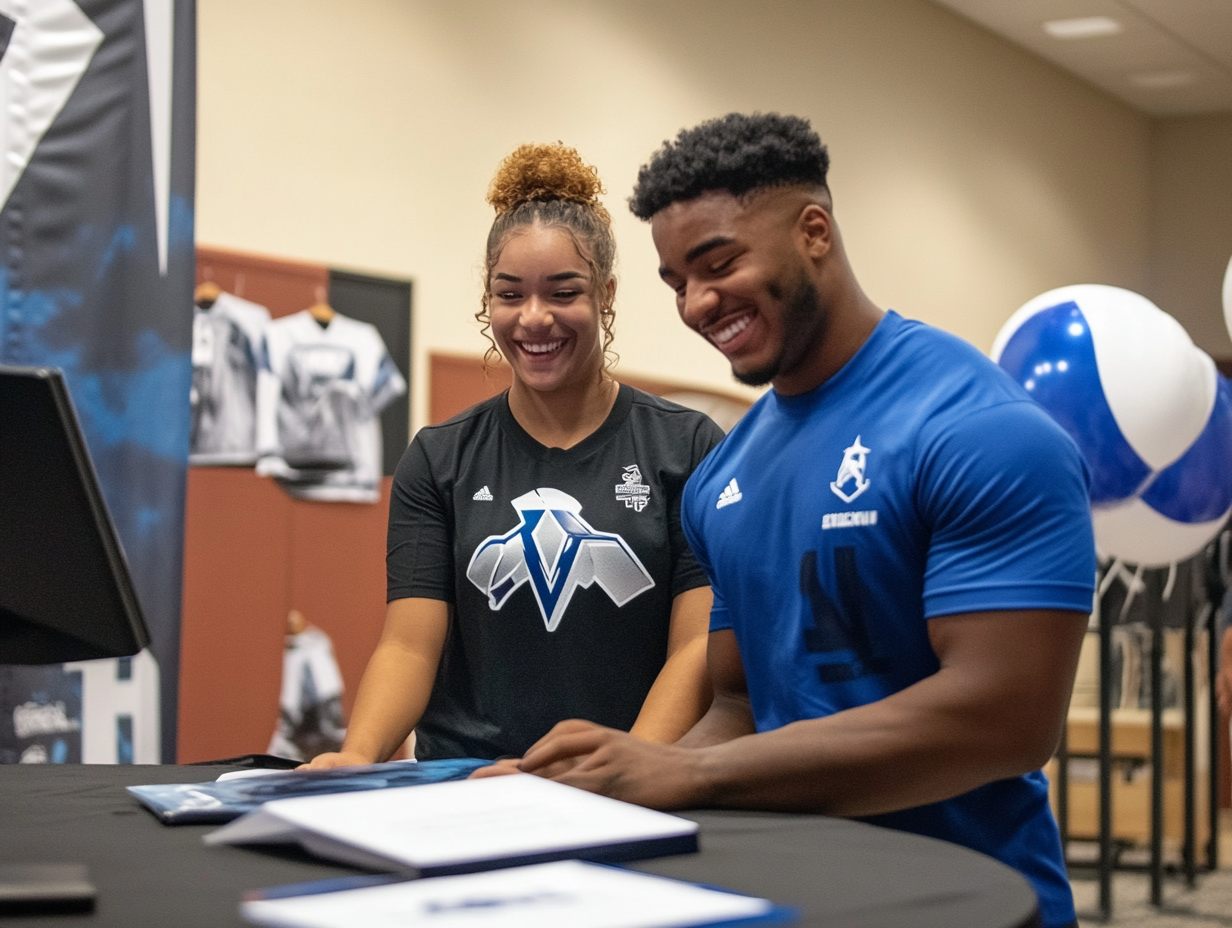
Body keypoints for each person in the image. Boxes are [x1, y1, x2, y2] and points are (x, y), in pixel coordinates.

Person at [510, 114, 1096, 928]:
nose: (699, 304)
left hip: (972, 901)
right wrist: (616, 785)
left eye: (719, 264)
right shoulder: (721, 478)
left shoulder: (980, 429)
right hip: (796, 895)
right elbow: (738, 707)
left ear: (813, 231)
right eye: (677, 282)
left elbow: (1004, 720)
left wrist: (688, 779)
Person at [304, 143, 724, 767]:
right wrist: (358, 754)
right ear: (487, 300)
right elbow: (410, 647)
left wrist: (622, 769)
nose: (534, 319)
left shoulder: (687, 448)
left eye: (563, 293)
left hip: (625, 785)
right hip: (468, 783)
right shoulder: (439, 458)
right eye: (510, 294)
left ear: (605, 294)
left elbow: (696, 650)